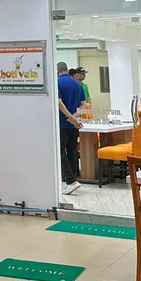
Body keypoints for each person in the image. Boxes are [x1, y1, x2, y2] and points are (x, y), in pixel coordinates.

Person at [57, 62, 83, 195]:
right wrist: (74, 117)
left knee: (60, 150)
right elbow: (83, 105)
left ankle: (71, 181)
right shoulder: (78, 84)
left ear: (57, 71)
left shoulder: (57, 83)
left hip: (62, 123)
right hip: (74, 125)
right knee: (72, 150)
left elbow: (59, 103)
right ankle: (73, 180)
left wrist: (70, 117)